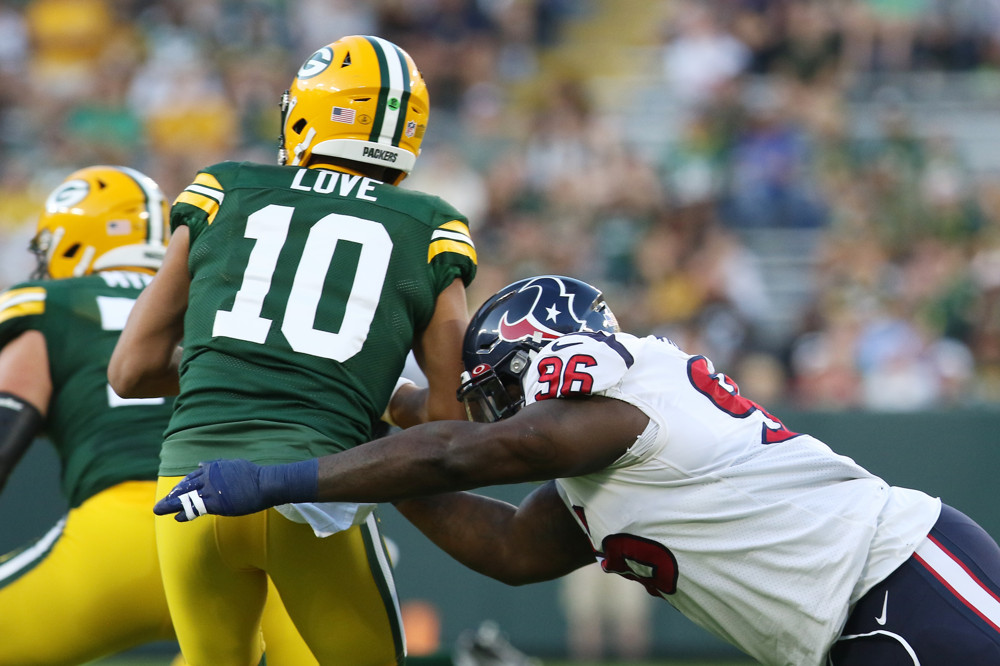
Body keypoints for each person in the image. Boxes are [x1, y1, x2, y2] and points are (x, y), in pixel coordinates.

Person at [155, 275, 1000, 665]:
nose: (494, 415)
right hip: (850, 626)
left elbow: (464, 450)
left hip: (906, 579)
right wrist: (379, 422)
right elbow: (511, 551)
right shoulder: (600, 467)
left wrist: (278, 479)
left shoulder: (625, 395)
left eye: (494, 394)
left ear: (531, 357)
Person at [109, 35, 477, 666]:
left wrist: (233, 369)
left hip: (189, 485)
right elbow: (448, 423)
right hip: (311, 490)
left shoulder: (224, 189)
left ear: (309, 110)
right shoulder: (432, 226)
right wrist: (377, 397)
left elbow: (131, 370)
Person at [0, 165, 317, 666]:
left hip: (119, 536)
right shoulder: (223, 300)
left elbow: (7, 423)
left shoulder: (54, 303)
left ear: (72, 240)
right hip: (244, 530)